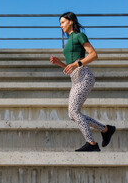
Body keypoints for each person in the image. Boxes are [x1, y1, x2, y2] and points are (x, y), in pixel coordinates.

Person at [50, 12, 116, 152]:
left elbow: (93, 55)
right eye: (60, 23)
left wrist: (77, 64)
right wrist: (60, 63)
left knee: (74, 111)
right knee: (72, 114)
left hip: (84, 76)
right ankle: (105, 130)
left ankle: (91, 143)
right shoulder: (69, 40)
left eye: (62, 22)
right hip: (75, 78)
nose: (60, 25)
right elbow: (71, 66)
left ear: (71, 22)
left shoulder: (79, 36)